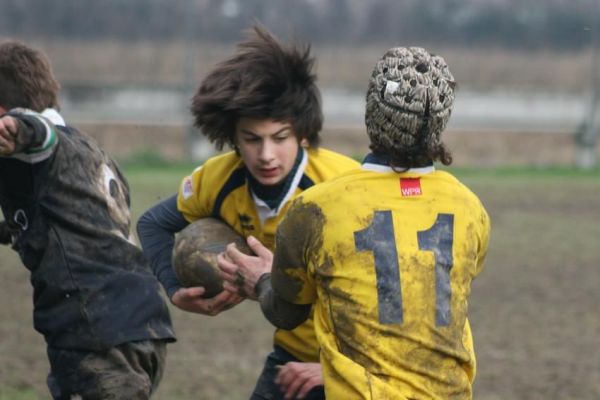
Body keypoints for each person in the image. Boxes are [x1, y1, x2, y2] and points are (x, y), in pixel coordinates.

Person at [220, 47, 491, 399]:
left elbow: (287, 313)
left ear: (372, 113)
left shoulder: (316, 208)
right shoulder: (470, 208)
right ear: (441, 120)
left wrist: (261, 280)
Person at [136, 25, 359, 399]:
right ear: (233, 138)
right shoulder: (218, 180)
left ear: (303, 134)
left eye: (280, 137)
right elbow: (153, 224)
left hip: (359, 364)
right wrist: (175, 290)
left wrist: (337, 369)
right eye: (252, 139)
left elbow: (387, 289)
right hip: (292, 358)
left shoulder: (345, 189)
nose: (266, 154)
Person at [0, 41, 175, 399]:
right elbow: (66, 223)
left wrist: (17, 128)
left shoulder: (40, 145)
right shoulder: (91, 151)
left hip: (94, 330)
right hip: (141, 324)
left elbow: (37, 134)